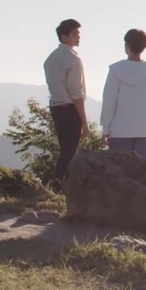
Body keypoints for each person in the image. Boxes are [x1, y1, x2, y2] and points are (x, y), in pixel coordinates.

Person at [100, 28, 146, 158]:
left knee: (119, 172)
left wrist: (106, 129)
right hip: (145, 131)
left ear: (127, 46)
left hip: (120, 132)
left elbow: (109, 101)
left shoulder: (115, 71)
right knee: (142, 173)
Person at [43, 18, 88, 189]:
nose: (78, 37)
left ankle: (58, 185)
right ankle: (61, 185)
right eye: (75, 34)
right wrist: (84, 121)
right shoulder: (73, 60)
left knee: (65, 150)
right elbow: (77, 94)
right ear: (64, 36)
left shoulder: (50, 59)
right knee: (70, 153)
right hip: (70, 109)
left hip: (55, 107)